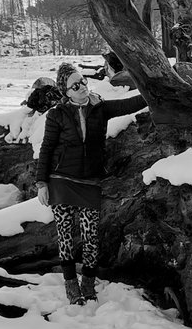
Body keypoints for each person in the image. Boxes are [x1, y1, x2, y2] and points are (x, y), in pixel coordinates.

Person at [35, 62, 148, 304]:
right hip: (61, 180)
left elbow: (129, 105)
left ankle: (88, 282)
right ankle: (70, 285)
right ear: (66, 92)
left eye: (83, 81)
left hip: (89, 180)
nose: (82, 87)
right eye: (75, 86)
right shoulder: (57, 114)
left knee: (90, 236)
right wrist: (41, 183)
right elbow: (46, 149)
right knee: (65, 236)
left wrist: (151, 90)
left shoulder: (100, 107)